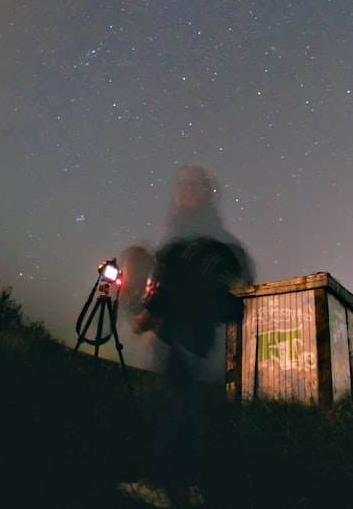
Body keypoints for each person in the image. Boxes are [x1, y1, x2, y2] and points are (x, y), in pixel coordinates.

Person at [118, 165, 254, 508]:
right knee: (185, 409)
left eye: (193, 185)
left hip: (184, 335)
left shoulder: (197, 234)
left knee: (174, 407)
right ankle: (190, 484)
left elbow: (183, 277)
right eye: (181, 185)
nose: (185, 191)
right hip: (188, 337)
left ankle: (158, 484)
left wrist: (151, 315)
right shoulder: (198, 234)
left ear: (207, 192)